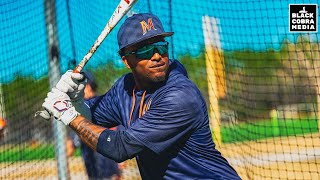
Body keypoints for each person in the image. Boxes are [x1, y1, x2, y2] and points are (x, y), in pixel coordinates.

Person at [40, 13, 241, 179]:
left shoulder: (180, 96)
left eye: (160, 46)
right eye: (145, 49)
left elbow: (119, 148)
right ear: (127, 60)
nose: (156, 55)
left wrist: (67, 114)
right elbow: (92, 117)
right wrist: (76, 101)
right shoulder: (124, 89)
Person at [66, 71, 121, 180]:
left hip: (106, 164)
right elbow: (71, 143)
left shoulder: (97, 105)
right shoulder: (82, 108)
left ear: (88, 86)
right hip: (95, 165)